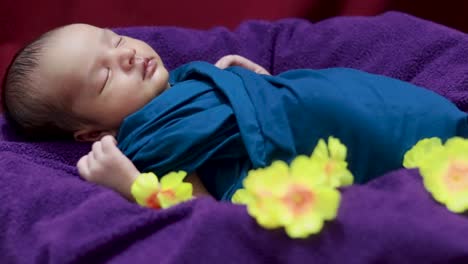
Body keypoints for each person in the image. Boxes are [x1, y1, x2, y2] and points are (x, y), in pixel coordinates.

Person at [3, 23, 468, 205]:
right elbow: (199, 211)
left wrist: (234, 82)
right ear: (91, 132)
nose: (125, 56)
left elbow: (255, 102)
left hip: (338, 102)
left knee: (393, 113)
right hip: (333, 144)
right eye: (103, 78)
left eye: (115, 39)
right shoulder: (154, 144)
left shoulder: (188, 80)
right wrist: (126, 183)